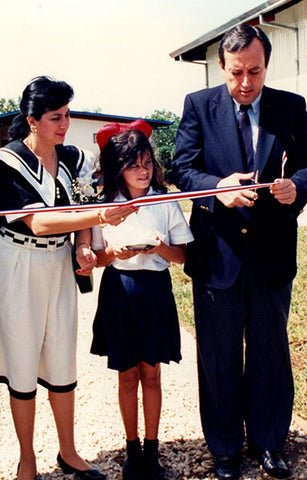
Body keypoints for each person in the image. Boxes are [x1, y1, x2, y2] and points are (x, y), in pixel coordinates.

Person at [172, 23, 307, 480]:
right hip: (218, 255)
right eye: (236, 73)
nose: (245, 83)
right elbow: (182, 167)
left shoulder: (290, 107)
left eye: (254, 72)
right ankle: (225, 448)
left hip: (272, 253)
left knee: (269, 351)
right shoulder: (199, 106)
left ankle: (270, 440)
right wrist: (218, 189)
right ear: (222, 66)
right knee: (218, 355)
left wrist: (297, 186)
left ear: (266, 65)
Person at [0, 76, 136, 480]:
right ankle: (27, 457)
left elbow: (78, 206)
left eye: (67, 115)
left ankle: (69, 450)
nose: (64, 124)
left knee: (61, 357)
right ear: (31, 120)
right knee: (22, 362)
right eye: (55, 117)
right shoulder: (6, 162)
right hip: (18, 266)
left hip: (59, 266)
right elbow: (39, 222)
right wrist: (96, 218)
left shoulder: (73, 158)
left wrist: (82, 242)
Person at [88, 121, 194, 480]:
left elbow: (181, 256)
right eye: (134, 165)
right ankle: (131, 448)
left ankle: (152, 448)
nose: (143, 171)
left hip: (154, 292)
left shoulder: (164, 201)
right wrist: (114, 251)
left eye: (147, 162)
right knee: (127, 374)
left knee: (151, 373)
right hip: (119, 290)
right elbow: (97, 258)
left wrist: (160, 246)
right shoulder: (105, 207)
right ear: (119, 169)